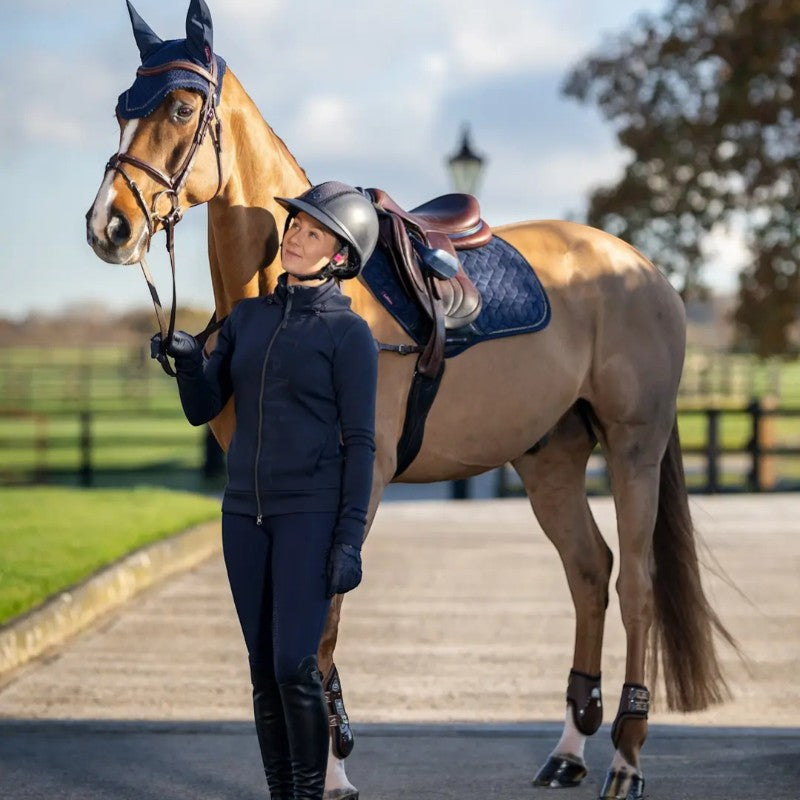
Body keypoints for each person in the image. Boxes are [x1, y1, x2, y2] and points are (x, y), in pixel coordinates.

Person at [151, 181, 380, 799]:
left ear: (340, 255)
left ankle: (308, 793)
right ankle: (283, 793)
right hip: (242, 518)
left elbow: (362, 445)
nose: (295, 237)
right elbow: (204, 409)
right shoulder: (247, 319)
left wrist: (349, 540)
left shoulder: (349, 335)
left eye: (312, 232)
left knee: (293, 666)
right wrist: (190, 364)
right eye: (295, 227)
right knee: (261, 670)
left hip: (309, 516)